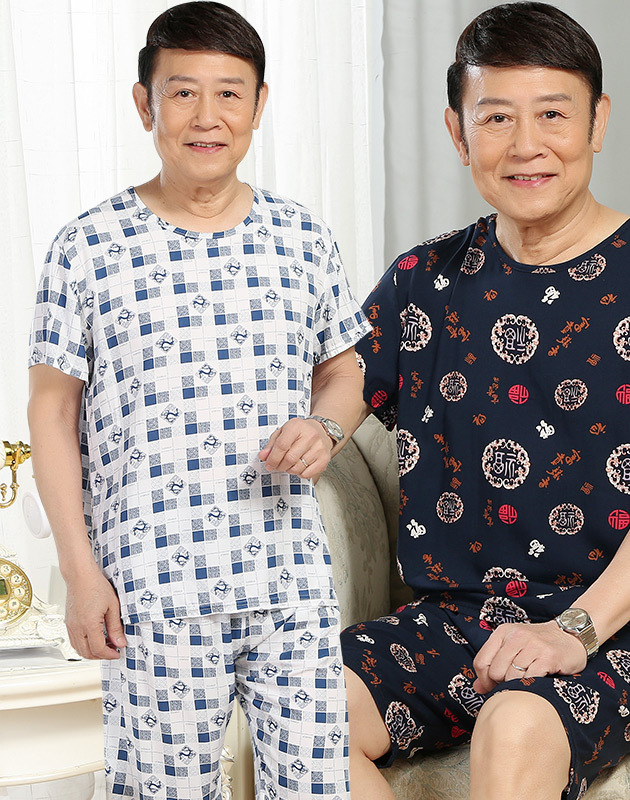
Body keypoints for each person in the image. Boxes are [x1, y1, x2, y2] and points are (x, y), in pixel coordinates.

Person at [341, 3, 630, 799]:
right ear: (458, 133)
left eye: (553, 115)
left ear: (598, 122)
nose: (526, 145)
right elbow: (332, 391)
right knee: (297, 706)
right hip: (460, 617)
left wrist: (574, 629)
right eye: (496, 117)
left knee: (516, 722)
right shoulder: (423, 280)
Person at [28, 3, 369, 798]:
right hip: (152, 588)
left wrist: (325, 427)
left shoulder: (303, 238)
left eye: (229, 94)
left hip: (290, 581)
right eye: (183, 93)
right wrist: (80, 573)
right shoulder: (87, 247)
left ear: (259, 104)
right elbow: (51, 415)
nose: (207, 117)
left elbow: (347, 373)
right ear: (144, 104)